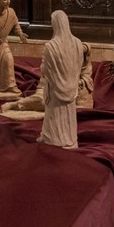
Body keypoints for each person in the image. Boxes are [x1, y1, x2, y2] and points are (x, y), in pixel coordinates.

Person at [37, 10, 84, 149]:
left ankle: (54, 139)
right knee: (68, 116)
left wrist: (45, 69)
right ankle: (70, 139)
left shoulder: (50, 46)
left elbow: (45, 70)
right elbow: (79, 64)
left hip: (55, 90)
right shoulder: (77, 43)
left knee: (54, 115)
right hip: (71, 88)